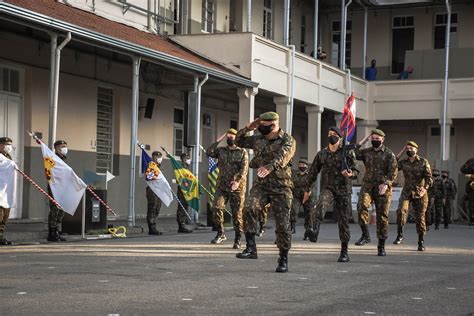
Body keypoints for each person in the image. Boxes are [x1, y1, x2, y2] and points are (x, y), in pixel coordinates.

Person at [235, 111, 296, 273]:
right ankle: (251, 248)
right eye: (259, 125)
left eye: (263, 126)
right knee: (249, 208)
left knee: (283, 225)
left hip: (281, 187)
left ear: (274, 125)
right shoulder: (258, 140)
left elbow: (283, 157)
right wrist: (249, 127)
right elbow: (238, 140)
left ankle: (283, 258)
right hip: (262, 185)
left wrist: (269, 167)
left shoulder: (287, 140)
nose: (260, 128)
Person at [302, 127, 357, 262]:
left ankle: (344, 251)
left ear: (340, 137)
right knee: (320, 205)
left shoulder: (348, 152)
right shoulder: (322, 154)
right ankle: (314, 231)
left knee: (343, 221)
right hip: (329, 188)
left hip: (344, 190)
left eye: (334, 134)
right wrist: (307, 189)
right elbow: (312, 173)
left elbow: (355, 171)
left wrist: (351, 173)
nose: (331, 136)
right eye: (329, 134)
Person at [354, 129, 398, 256]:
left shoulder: (389, 154)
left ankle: (381, 246)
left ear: (383, 140)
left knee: (382, 217)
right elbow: (353, 153)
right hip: (368, 186)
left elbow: (393, 172)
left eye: (377, 139)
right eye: (373, 138)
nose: (375, 141)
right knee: (361, 206)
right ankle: (365, 235)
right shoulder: (367, 152)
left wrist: (386, 184)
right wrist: (363, 141)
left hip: (382, 188)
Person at [206, 128, 249, 249]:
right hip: (222, 186)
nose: (230, 138)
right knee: (216, 208)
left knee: (237, 214)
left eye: (232, 136)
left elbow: (244, 169)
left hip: (237, 188)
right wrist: (218, 140)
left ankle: (238, 238)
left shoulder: (242, 152)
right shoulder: (221, 151)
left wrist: (237, 181)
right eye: (228, 137)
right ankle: (220, 233)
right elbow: (209, 152)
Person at [393, 141, 432, 251]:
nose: (409, 150)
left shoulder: (423, 162)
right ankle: (400, 235)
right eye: (407, 148)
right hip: (407, 191)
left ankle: (421, 241)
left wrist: (425, 188)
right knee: (401, 211)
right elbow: (393, 165)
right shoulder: (404, 162)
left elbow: (429, 177)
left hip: (420, 192)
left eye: (411, 148)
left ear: (416, 149)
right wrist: (401, 152)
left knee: (420, 218)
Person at [47, 140, 69, 242]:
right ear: (56, 148)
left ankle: (56, 230)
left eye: (65, 146)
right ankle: (52, 232)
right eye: (62, 146)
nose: (65, 148)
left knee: (61, 210)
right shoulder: (52, 158)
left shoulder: (63, 159)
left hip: (63, 187)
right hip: (55, 187)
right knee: (55, 210)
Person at [290, 159, 310, 235]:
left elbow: (312, 184)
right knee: (293, 210)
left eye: (303, 165)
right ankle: (293, 227)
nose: (301, 166)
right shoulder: (294, 174)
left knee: (308, 213)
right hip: (296, 195)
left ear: (306, 166)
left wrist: (308, 193)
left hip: (307, 195)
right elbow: (291, 183)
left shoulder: (310, 174)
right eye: (300, 164)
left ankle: (307, 231)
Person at [0, 137, 14, 246]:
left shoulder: (8, 157)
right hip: (0, 191)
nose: (9, 146)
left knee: (5, 216)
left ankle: (1, 236)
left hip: (6, 190)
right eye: (6, 144)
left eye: (10, 144)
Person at [146, 151, 164, 235]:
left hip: (158, 190)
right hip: (152, 189)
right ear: (153, 157)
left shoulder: (158, 166)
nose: (159, 159)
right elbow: (148, 177)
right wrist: (155, 174)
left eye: (160, 157)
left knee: (157, 207)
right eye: (157, 157)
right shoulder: (151, 165)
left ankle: (154, 225)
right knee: (152, 208)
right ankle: (151, 227)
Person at [176, 153, 193, 233]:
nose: (189, 160)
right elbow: (179, 179)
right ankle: (181, 225)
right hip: (182, 190)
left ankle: (183, 224)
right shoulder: (181, 168)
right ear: (184, 159)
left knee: (185, 206)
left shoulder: (187, 167)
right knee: (182, 207)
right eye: (187, 158)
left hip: (187, 190)